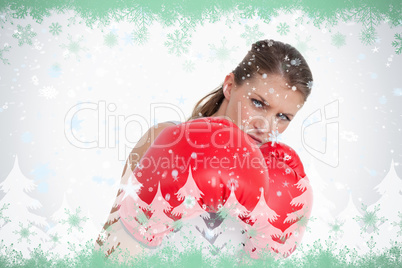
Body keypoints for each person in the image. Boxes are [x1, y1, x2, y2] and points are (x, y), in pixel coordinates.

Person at [94, 39, 313, 260]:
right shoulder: (163, 139)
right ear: (229, 86)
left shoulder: (280, 176)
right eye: (258, 103)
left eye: (282, 117)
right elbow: (104, 254)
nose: (265, 126)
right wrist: (142, 227)